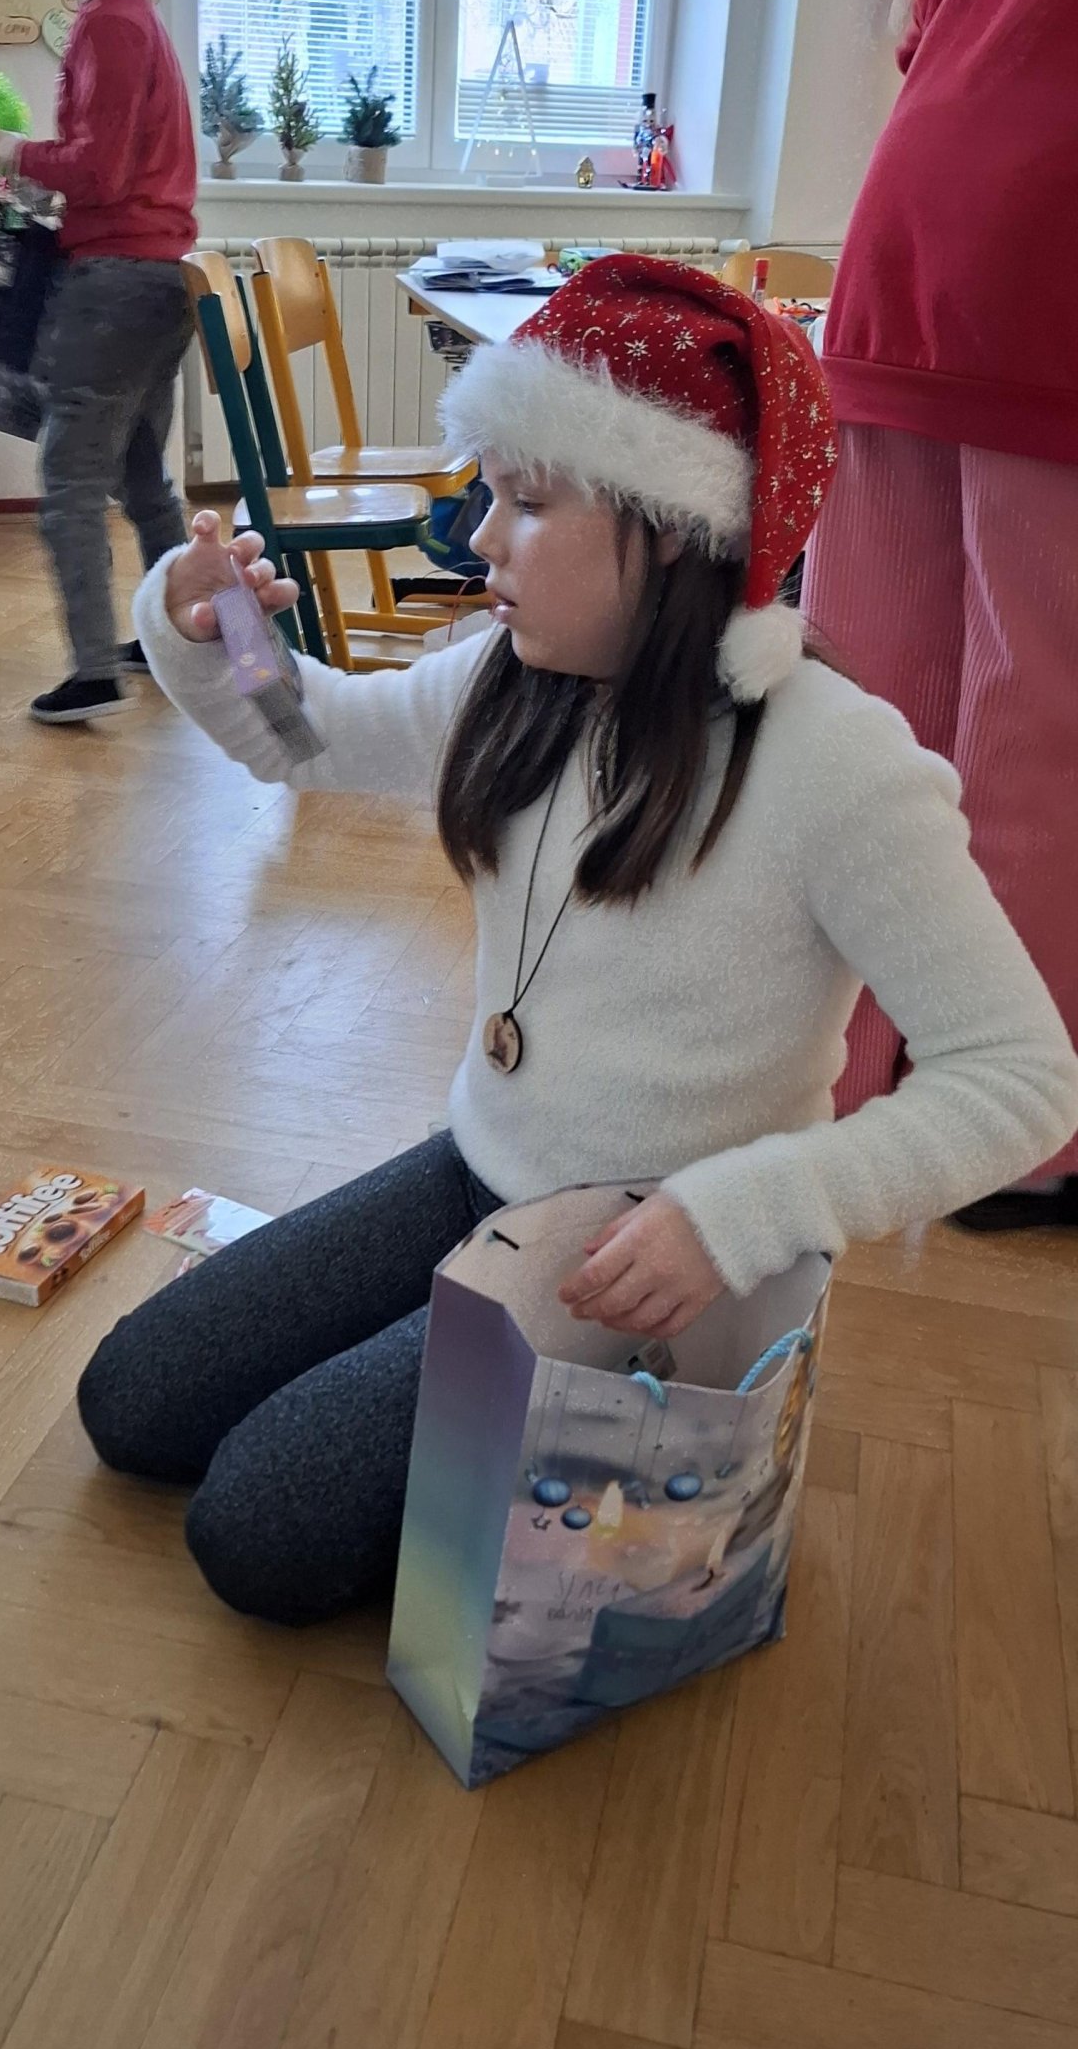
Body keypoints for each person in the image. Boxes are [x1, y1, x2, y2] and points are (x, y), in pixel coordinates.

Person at [77, 258, 1078, 1628]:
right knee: (133, 1399)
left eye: (529, 502)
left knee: (261, 1528)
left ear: (672, 528)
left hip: (645, 1253)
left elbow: (1023, 1082)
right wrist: (215, 631)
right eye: (489, 493)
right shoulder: (521, 679)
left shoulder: (839, 767)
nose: (479, 538)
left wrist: (736, 1214)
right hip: (481, 1168)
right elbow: (309, 738)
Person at [805, 0, 1078, 1229]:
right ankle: (1011, 1137)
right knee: (1040, 733)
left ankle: (815, 1077)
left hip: (911, 230)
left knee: (861, 710)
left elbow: (936, 4)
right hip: (1055, 259)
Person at [0, 0, 197, 726]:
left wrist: (10, 152)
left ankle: (94, 670)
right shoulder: (132, 18)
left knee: (68, 483)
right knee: (140, 476)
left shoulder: (109, 26)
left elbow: (99, 169)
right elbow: (114, 166)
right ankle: (183, 636)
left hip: (114, 288)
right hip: (156, 282)